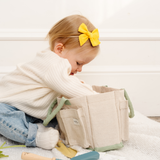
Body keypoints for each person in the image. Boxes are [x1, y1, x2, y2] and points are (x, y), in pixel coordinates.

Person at [0, 14, 100, 150]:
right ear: (60, 49)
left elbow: (72, 83)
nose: (80, 69)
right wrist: (98, 98)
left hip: (29, 112)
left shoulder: (57, 64)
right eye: (78, 63)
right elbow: (69, 85)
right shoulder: (51, 63)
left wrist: (87, 88)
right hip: (8, 105)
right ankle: (34, 136)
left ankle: (37, 127)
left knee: (59, 116)